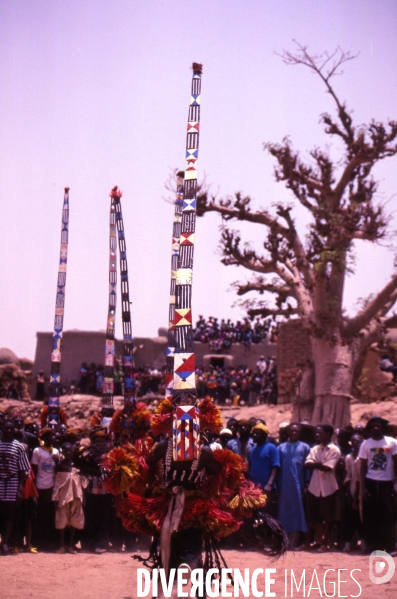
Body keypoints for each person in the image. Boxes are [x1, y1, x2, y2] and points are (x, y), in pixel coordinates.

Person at [358, 416, 397, 554]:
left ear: (382, 427)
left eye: (378, 426)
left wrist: (396, 483)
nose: (375, 428)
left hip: (387, 483)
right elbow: (362, 467)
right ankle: (374, 546)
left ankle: (391, 546)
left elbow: (396, 463)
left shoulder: (391, 443)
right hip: (371, 481)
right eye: (373, 426)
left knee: (388, 515)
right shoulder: (365, 444)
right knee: (371, 516)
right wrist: (363, 487)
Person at [305, 424, 341, 551]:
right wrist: (318, 464)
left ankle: (326, 543)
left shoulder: (335, 450)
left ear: (328, 434)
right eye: (315, 433)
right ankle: (316, 541)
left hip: (328, 487)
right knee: (314, 516)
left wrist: (316, 464)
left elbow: (328, 467)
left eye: (319, 433)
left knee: (329, 517)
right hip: (314, 487)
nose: (316, 435)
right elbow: (307, 463)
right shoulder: (315, 448)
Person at [277, 423, 310, 549]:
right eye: (292, 430)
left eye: (297, 431)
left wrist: (307, 483)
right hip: (284, 483)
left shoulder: (305, 447)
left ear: (300, 433)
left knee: (298, 510)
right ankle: (284, 540)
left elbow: (307, 468)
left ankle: (294, 540)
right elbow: (277, 467)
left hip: (298, 484)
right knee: (284, 511)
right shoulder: (281, 448)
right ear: (288, 432)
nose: (294, 432)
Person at [0, 419, 30, 555]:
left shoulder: (18, 447)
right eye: (6, 428)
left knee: (9, 514)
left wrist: (20, 488)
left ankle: (5, 542)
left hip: (12, 482)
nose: (9, 431)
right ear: (2, 428)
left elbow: (23, 470)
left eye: (11, 429)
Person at [52, 442, 88, 554]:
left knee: (75, 520)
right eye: (66, 450)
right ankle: (62, 545)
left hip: (76, 496)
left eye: (70, 450)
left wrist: (84, 496)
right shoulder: (60, 465)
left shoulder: (77, 465)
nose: (68, 453)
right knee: (62, 520)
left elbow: (82, 482)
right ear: (62, 451)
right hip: (63, 496)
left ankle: (71, 545)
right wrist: (55, 497)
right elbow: (57, 483)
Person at [31, 427, 60, 550]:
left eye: (54, 436)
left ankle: (50, 543)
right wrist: (34, 488)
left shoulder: (56, 452)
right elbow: (34, 470)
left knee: (50, 515)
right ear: (45, 438)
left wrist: (57, 461)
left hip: (52, 487)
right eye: (50, 436)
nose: (53, 438)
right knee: (40, 514)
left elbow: (58, 471)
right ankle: (38, 542)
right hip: (40, 486)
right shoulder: (37, 451)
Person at [247, 423, 280, 517]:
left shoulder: (271, 448)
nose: (254, 435)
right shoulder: (253, 448)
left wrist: (269, 484)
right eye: (253, 433)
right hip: (254, 487)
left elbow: (275, 466)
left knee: (266, 514)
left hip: (266, 487)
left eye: (257, 433)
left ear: (264, 435)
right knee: (255, 514)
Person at [343, 433, 363, 552]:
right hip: (352, 489)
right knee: (350, 517)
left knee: (363, 518)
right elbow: (347, 477)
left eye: (359, 442)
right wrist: (349, 494)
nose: (356, 444)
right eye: (354, 442)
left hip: (363, 491)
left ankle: (364, 541)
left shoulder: (365, 457)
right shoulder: (348, 458)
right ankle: (348, 543)